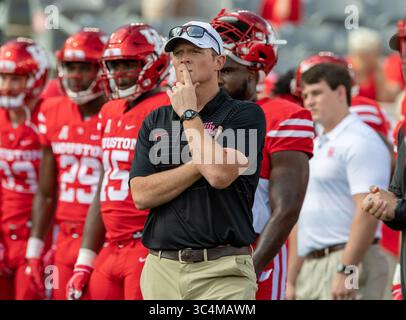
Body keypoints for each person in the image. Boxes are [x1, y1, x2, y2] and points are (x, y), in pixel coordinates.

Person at [129, 20, 266, 300]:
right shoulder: (155, 119)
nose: (185, 58)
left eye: (195, 50)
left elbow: (218, 176)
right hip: (162, 269)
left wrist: (189, 114)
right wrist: (199, 164)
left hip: (223, 270)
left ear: (219, 60)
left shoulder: (245, 114)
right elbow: (141, 195)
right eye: (178, 53)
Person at [211, 9, 313, 300]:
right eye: (213, 69)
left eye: (227, 70)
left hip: (252, 259)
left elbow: (287, 210)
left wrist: (249, 272)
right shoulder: (194, 116)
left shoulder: (283, 117)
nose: (216, 79)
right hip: (196, 263)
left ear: (254, 71)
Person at [66, 23, 170, 300]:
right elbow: (104, 185)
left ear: (154, 64)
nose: (119, 73)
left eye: (128, 64)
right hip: (111, 246)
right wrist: (85, 260)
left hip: (148, 244)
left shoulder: (168, 109)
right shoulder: (110, 110)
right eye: (114, 65)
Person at [287, 63, 391, 300]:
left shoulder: (361, 140)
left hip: (349, 260)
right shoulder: (317, 143)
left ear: (341, 93)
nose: (309, 101)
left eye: (317, 93)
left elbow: (368, 211)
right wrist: (291, 279)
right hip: (313, 264)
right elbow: (302, 218)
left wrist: (347, 269)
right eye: (305, 95)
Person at [24, 28, 107, 300]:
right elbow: (46, 192)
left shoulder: (116, 114)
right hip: (65, 238)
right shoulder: (52, 109)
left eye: (84, 67)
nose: (75, 75)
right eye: (70, 66)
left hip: (106, 240)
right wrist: (34, 249)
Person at [0, 38, 49, 300]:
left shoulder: (48, 116)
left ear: (36, 78)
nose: (7, 87)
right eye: (3, 78)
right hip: (5, 232)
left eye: (16, 79)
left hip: (40, 234)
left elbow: (53, 189)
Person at [362, 18, 406, 300]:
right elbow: (400, 199)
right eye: (402, 54)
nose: (403, 61)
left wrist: (397, 208)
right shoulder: (403, 127)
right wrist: (385, 203)